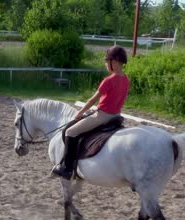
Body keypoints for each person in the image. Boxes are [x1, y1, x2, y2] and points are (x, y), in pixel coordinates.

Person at [52, 45, 130, 179]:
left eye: (107, 61)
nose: (106, 64)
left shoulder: (108, 80)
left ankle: (67, 168)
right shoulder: (126, 79)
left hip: (102, 116)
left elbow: (92, 100)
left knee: (70, 132)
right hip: (116, 116)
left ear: (115, 61)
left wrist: (80, 113)